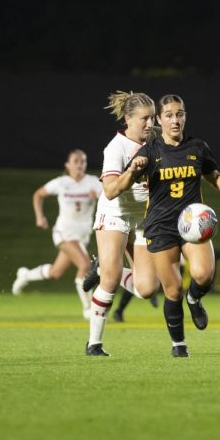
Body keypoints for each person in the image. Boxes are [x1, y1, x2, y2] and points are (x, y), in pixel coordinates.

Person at [126, 94, 220, 357]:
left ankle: (195, 299)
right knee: (173, 289)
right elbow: (128, 182)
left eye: (180, 114)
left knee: (203, 276)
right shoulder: (150, 150)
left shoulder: (197, 147)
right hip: (160, 226)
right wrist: (133, 170)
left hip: (192, 224)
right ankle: (179, 345)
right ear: (159, 119)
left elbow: (215, 178)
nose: (175, 120)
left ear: (185, 116)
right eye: (169, 115)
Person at [83, 91, 162, 356]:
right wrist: (132, 170)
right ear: (128, 119)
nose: (150, 124)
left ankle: (102, 266)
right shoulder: (115, 148)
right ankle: (94, 343)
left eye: (152, 118)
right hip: (115, 214)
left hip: (143, 219)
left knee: (148, 289)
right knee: (110, 280)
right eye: (144, 119)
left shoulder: (156, 142)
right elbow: (111, 190)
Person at [12, 150, 102, 317]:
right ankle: (88, 309)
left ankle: (25, 275)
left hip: (82, 235)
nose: (79, 164)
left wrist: (97, 197)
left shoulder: (93, 182)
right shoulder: (62, 183)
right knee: (85, 265)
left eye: (83, 161)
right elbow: (38, 194)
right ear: (67, 165)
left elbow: (109, 196)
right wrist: (40, 217)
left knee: (55, 272)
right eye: (75, 161)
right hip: (64, 232)